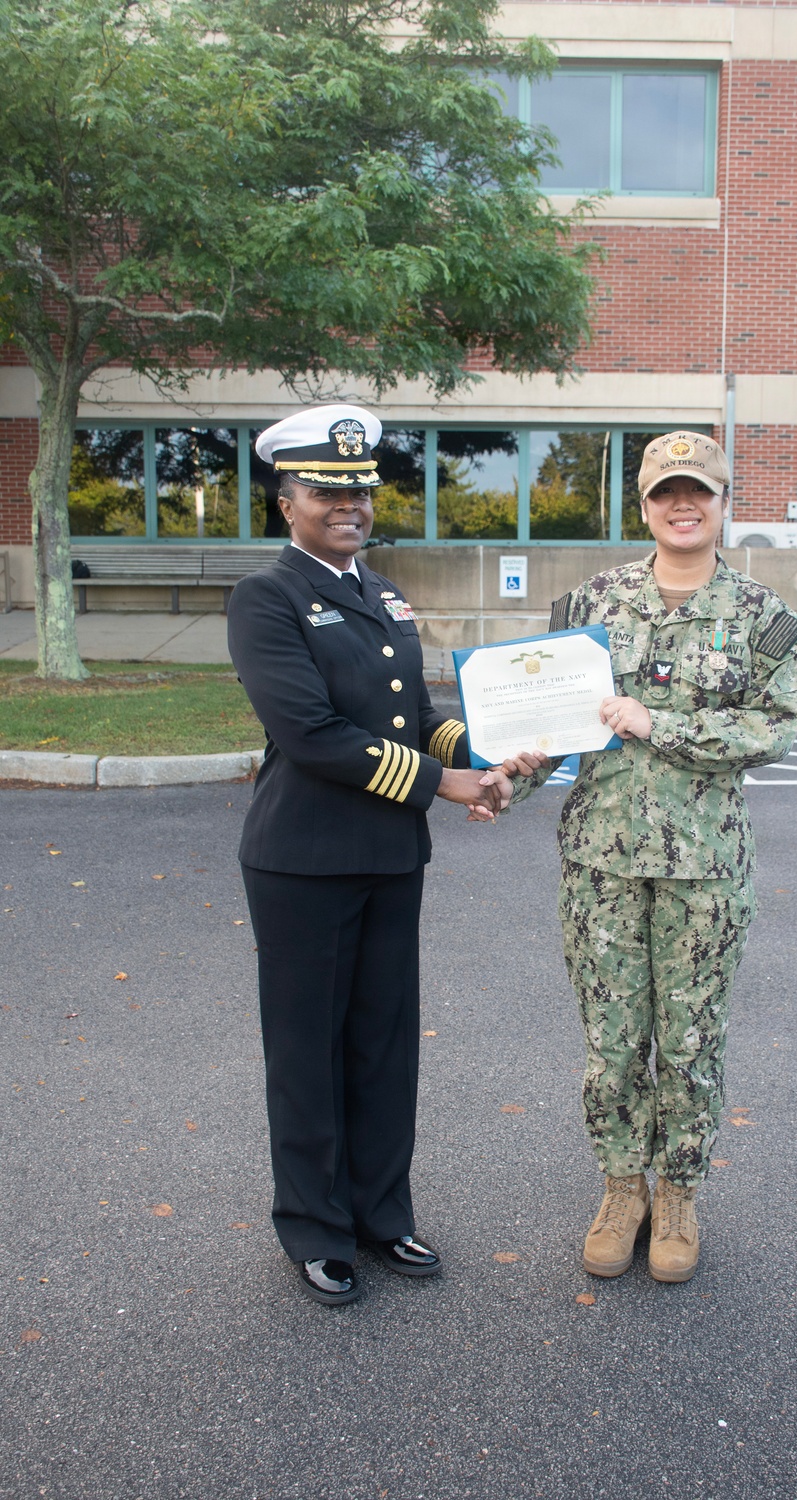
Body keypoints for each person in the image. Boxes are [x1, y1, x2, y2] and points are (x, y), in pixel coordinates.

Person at [227, 404, 534, 1307]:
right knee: (307, 1051)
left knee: (384, 1045)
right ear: (287, 501)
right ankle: (315, 1229)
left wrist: (488, 753)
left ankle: (380, 1213)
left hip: (390, 854)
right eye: (326, 490)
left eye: (359, 490)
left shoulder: (383, 593)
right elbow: (313, 733)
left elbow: (415, 715)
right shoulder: (267, 598)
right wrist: (445, 785)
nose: (348, 505)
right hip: (302, 858)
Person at [493, 431, 797, 1283]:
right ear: (644, 505)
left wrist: (656, 722)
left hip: (705, 870)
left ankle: (677, 1196)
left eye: (698, 491)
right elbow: (550, 726)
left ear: (723, 502)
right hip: (601, 863)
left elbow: (773, 728)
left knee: (691, 1043)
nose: (683, 505)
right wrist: (507, 779)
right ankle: (621, 1188)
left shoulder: (762, 618)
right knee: (612, 1042)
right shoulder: (589, 605)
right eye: (667, 492)